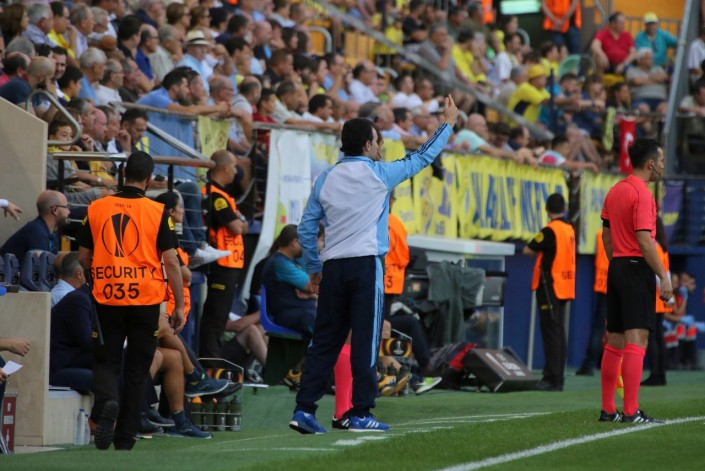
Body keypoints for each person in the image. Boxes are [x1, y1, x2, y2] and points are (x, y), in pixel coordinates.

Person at [288, 95, 458, 434]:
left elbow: (306, 228)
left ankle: (304, 410)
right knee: (365, 342)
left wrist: (314, 268)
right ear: (367, 144)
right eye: (379, 141)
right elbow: (423, 157)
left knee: (324, 342)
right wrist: (447, 125)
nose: (381, 147)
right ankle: (359, 412)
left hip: (333, 268)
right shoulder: (380, 174)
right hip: (365, 266)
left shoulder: (326, 178)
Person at [77, 151, 184, 451]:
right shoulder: (158, 212)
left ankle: (108, 400)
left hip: (107, 297)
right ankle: (125, 438)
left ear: (123, 174)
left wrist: (97, 277)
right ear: (148, 179)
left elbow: (83, 257)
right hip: (146, 301)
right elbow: (171, 262)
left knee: (106, 360)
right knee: (138, 369)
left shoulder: (96, 208)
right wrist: (178, 305)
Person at [598, 138, 671, 424]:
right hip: (635, 268)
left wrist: (617, 263)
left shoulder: (615, 190)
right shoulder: (642, 194)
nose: (663, 165)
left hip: (617, 266)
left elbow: (606, 236)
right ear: (650, 164)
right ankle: (630, 411)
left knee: (614, 340)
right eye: (661, 160)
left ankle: (608, 410)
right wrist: (663, 276)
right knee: (637, 338)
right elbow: (644, 240)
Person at [523, 193, 576, 392]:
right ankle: (557, 376)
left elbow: (529, 249)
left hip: (549, 286)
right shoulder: (569, 228)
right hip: (565, 285)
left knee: (551, 333)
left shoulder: (550, 230)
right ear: (564, 208)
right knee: (559, 332)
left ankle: (552, 378)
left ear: (546, 209)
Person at [199, 150, 248, 359]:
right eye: (234, 166)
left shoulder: (223, 195)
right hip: (221, 263)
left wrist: (240, 222)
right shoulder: (214, 195)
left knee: (221, 316)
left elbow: (242, 226)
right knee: (215, 316)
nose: (236, 172)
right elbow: (237, 227)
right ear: (225, 167)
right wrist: (240, 222)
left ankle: (215, 360)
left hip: (230, 263)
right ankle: (210, 363)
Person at [263, 224, 317, 339]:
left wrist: (311, 296)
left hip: (302, 312)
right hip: (290, 314)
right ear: (295, 242)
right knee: (321, 324)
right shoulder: (281, 263)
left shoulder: (290, 261)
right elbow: (312, 286)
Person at [642, 217, 671, 386]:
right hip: (661, 299)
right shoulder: (663, 248)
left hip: (655, 298)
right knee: (659, 338)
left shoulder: (655, 248)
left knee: (653, 339)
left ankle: (656, 374)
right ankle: (660, 374)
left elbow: (658, 274)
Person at [0, 190, 68, 262]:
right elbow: (43, 264)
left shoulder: (52, 231)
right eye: (66, 207)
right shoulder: (37, 230)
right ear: (55, 210)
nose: (69, 212)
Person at [576, 229, 608, 376]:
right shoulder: (624, 233)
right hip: (618, 282)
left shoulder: (600, 234)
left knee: (599, 325)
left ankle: (590, 363)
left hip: (603, 283)